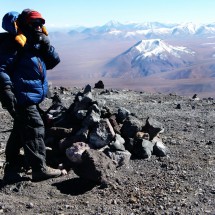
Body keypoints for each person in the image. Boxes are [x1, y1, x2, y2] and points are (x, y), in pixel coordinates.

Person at [0, 9, 64, 183]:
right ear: (24, 24)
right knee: (35, 127)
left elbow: (53, 62)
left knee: (20, 129)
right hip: (20, 95)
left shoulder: (34, 43)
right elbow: (1, 69)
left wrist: (46, 45)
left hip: (29, 95)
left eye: (40, 23)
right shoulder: (14, 44)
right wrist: (6, 88)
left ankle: (12, 168)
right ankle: (39, 169)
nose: (38, 27)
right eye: (34, 23)